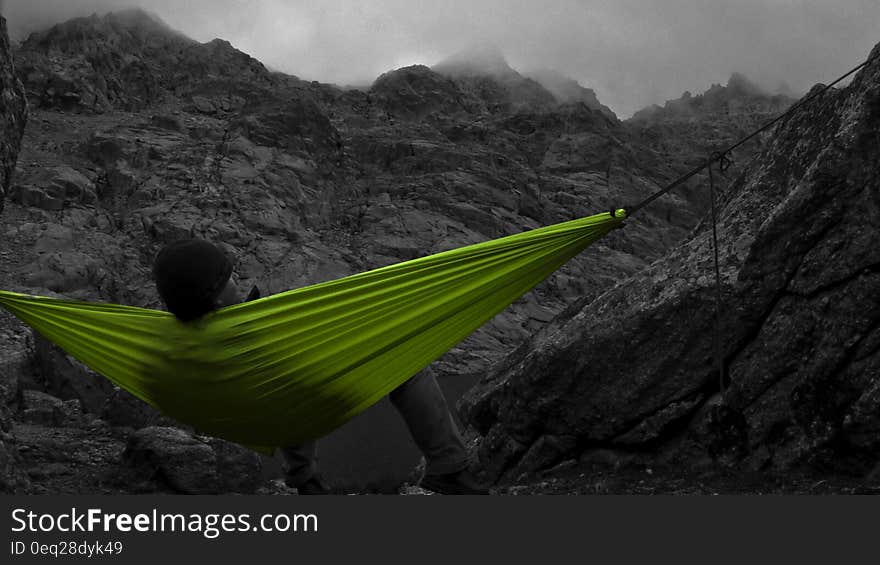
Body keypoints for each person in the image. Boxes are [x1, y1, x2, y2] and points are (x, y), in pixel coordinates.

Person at [152, 238, 489, 495]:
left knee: (282, 386)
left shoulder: (174, 341)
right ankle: (449, 466)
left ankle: (307, 482)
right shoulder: (253, 328)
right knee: (407, 364)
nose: (236, 280)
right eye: (229, 278)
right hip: (304, 401)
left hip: (263, 415)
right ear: (214, 295)